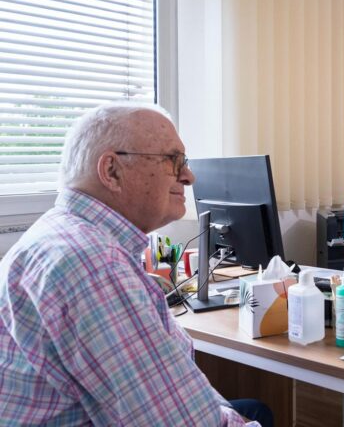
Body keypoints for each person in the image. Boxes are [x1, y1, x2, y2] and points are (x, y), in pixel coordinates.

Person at [0, 104, 273, 426]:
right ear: (112, 171)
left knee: (252, 408)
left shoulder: (61, 234)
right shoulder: (95, 267)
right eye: (173, 160)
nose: (189, 176)